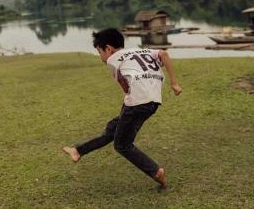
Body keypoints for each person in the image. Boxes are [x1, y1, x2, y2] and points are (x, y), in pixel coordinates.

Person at [63, 28, 182, 188]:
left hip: (136, 102)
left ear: (109, 49)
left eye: (100, 52)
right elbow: (164, 55)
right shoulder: (142, 51)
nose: (101, 58)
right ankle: (78, 151)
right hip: (153, 102)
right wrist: (174, 83)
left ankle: (156, 171)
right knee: (114, 128)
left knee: (122, 144)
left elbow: (126, 89)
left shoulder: (113, 60)